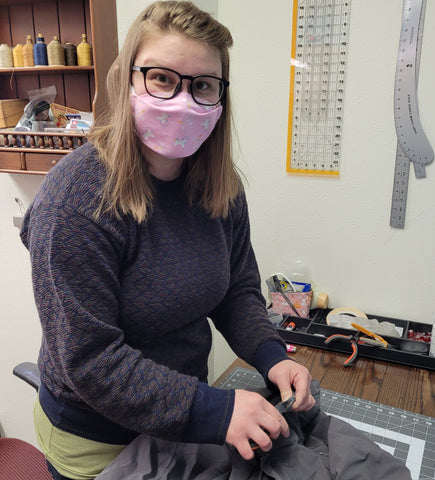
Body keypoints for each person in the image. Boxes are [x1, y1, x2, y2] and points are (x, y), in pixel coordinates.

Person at [20, 2, 315, 479]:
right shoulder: (75, 202)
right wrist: (215, 411)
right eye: (161, 78)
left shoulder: (220, 187)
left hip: (183, 418)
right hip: (97, 438)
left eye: (201, 85)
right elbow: (91, 360)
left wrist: (270, 356)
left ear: (221, 97)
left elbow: (237, 289)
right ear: (127, 80)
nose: (182, 100)